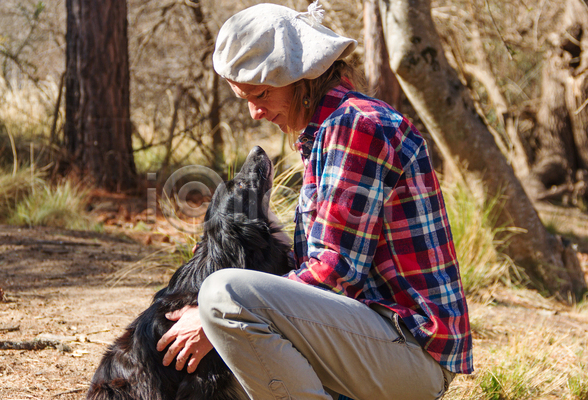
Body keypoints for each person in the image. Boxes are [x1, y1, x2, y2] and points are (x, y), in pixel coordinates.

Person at [156, 2, 473, 399]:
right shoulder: (330, 130)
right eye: (245, 98)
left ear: (302, 78)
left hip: (413, 354)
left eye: (262, 93)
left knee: (223, 295)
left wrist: (210, 316)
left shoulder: (356, 125)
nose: (254, 112)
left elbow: (334, 273)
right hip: (379, 340)